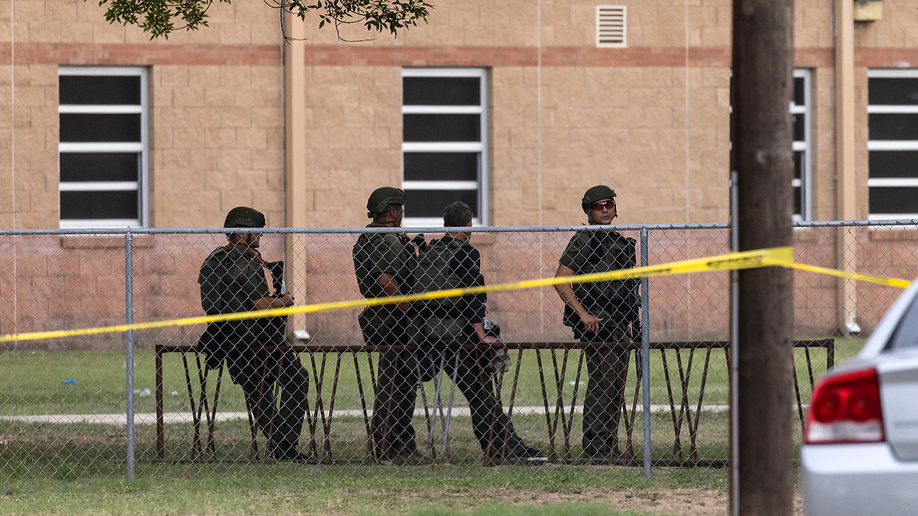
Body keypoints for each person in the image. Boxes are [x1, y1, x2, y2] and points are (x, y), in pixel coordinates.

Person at [413, 201, 545, 462]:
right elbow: (471, 297)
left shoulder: (429, 252)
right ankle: (503, 448)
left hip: (428, 335)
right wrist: (481, 333)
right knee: (480, 392)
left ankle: (503, 445)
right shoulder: (465, 253)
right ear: (469, 225)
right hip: (458, 337)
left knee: (478, 393)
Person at [197, 206, 310, 463]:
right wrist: (283, 301)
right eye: (256, 232)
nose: (260, 237)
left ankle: (281, 446)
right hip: (257, 340)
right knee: (297, 380)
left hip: (225, 340)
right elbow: (261, 304)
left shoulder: (213, 260)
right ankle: (286, 446)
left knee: (257, 391)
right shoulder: (245, 263)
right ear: (242, 233)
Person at [553, 186, 640, 460]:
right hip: (596, 321)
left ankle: (608, 444)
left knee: (615, 386)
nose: (604, 210)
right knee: (602, 382)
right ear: (588, 211)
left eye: (608, 205)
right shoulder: (585, 240)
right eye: (598, 206)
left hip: (617, 321)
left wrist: (629, 322)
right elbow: (561, 279)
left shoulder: (619, 242)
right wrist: (582, 314)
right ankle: (595, 448)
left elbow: (626, 288)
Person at [352, 187, 422, 460]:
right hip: (393, 320)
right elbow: (385, 281)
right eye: (400, 210)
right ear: (393, 211)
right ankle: (391, 445)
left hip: (384, 318)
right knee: (398, 384)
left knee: (397, 382)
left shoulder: (371, 237)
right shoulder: (387, 239)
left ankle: (394, 443)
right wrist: (410, 310)